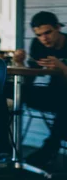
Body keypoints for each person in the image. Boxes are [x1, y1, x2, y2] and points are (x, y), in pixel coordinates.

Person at [13, 11, 67, 167]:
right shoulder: (38, 45)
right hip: (52, 94)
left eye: (48, 32)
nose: (44, 38)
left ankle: (49, 149)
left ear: (58, 27)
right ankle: (2, 144)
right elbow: (30, 80)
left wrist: (62, 67)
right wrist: (20, 64)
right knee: (8, 91)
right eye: (39, 35)